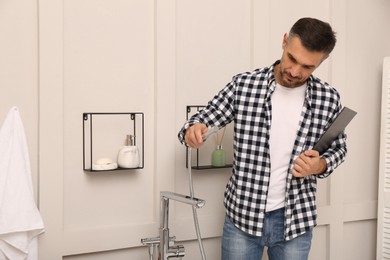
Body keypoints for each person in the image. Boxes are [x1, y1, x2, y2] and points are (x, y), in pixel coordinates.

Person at [178, 17, 347, 260]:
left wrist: (319, 164)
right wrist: (194, 129)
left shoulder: (328, 97)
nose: (295, 72)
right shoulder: (245, 85)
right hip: (243, 218)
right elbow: (201, 119)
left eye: (308, 67)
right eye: (292, 58)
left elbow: (340, 148)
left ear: (322, 61)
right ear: (284, 41)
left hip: (296, 221)